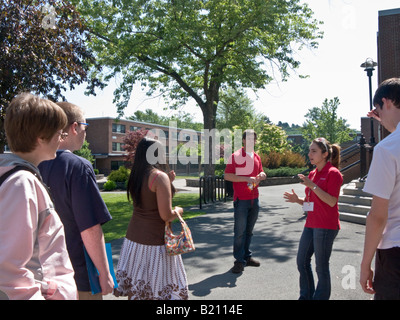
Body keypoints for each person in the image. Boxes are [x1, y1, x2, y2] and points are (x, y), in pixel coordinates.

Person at [0, 93, 77, 300]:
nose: (61, 139)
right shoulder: (21, 184)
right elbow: (8, 269)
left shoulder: (15, 177)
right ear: (41, 137)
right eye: (59, 133)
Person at [38, 101, 114, 300]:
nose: (85, 133)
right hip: (77, 275)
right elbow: (89, 228)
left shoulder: (33, 165)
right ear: (74, 127)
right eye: (85, 127)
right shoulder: (78, 167)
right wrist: (104, 273)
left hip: (41, 274)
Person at [114, 137, 188, 300]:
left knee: (137, 290)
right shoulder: (158, 177)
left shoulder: (136, 175)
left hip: (133, 241)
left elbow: (148, 199)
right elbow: (166, 215)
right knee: (157, 291)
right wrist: (178, 210)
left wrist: (168, 183)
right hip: (154, 244)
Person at [283, 137, 342, 300]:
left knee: (321, 266)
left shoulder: (333, 173)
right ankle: (306, 296)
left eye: (314, 151)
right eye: (309, 150)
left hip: (326, 226)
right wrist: (298, 200)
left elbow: (331, 201)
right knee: (301, 261)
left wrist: (312, 186)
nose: (310, 154)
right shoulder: (312, 174)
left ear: (324, 154)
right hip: (311, 224)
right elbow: (312, 202)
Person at [360, 78, 400, 300]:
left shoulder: (387, 149)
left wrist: (366, 263)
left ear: (386, 102)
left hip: (395, 251)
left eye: (378, 109)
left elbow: (377, 216)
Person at [224, 130, 267, 273]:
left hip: (255, 199)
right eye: (248, 139)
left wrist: (262, 174)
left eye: (253, 139)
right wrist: (246, 178)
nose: (251, 141)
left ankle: (247, 257)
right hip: (241, 200)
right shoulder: (235, 156)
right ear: (243, 140)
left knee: (249, 231)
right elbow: (227, 176)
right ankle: (238, 261)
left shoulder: (256, 157)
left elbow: (261, 172)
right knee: (240, 232)